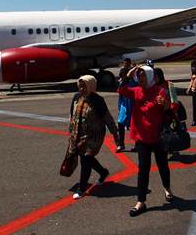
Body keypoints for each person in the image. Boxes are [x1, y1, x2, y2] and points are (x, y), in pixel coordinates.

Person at [119, 65, 173, 217]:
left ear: (149, 77)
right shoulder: (136, 91)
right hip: (142, 138)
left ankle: (167, 188)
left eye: (142, 76)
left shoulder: (159, 91)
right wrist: (127, 77)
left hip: (158, 137)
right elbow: (121, 90)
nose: (139, 78)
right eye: (138, 76)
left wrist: (166, 105)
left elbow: (170, 109)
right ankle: (141, 201)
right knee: (143, 169)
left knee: (163, 165)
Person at [68, 75, 120, 200]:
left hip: (94, 135)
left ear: (91, 86)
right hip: (79, 134)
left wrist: (115, 134)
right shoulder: (76, 97)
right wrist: (71, 132)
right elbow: (72, 115)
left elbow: (107, 118)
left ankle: (82, 188)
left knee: (86, 159)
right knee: (87, 158)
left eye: (84, 86)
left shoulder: (98, 100)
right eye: (80, 85)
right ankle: (103, 172)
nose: (81, 88)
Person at [116, 58, 135, 152]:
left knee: (135, 125)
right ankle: (121, 144)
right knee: (120, 123)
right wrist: (119, 106)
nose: (121, 77)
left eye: (123, 76)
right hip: (124, 106)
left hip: (133, 106)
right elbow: (120, 96)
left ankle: (137, 144)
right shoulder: (122, 84)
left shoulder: (134, 83)